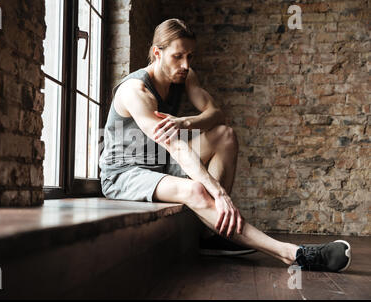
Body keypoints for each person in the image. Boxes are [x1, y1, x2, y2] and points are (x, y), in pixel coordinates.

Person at [99, 18, 351, 272]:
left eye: (189, 56)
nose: (186, 64)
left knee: (225, 135)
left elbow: (217, 115)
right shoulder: (135, 90)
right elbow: (176, 147)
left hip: (160, 162)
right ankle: (291, 253)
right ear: (157, 53)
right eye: (178, 56)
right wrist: (219, 193)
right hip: (126, 174)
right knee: (197, 190)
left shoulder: (184, 75)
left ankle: (213, 232)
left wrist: (186, 122)